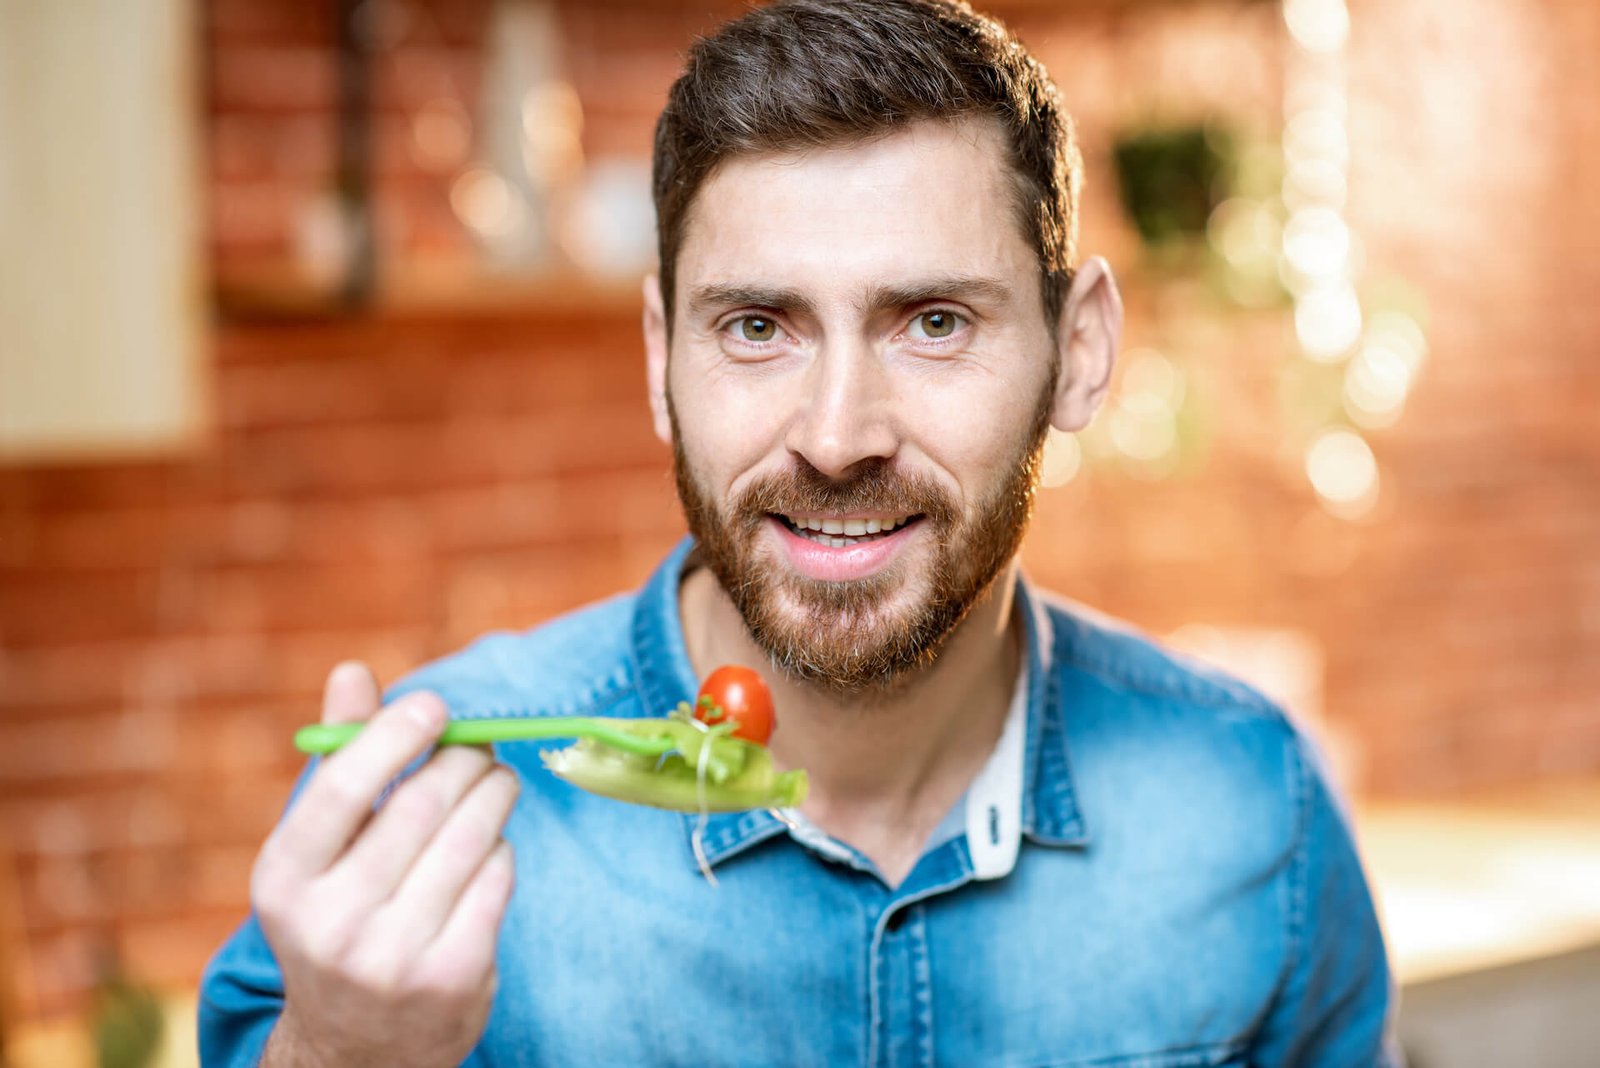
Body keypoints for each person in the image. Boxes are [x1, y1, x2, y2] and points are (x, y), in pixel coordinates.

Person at [200, 1, 1401, 1064]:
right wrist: (344, 1059)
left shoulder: (1249, 800)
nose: (835, 438)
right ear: (660, 360)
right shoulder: (423, 826)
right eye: (758, 328)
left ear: (1078, 351)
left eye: (933, 322)